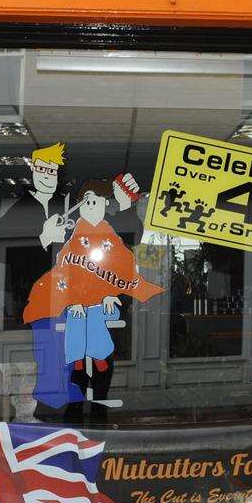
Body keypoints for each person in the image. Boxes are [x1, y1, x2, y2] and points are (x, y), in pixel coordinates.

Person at [22, 179, 162, 421]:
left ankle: (98, 408)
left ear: (105, 205)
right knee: (75, 357)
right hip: (76, 310)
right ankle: (75, 406)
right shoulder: (71, 235)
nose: (90, 205)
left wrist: (113, 295)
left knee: (101, 354)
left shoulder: (113, 232)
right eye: (86, 201)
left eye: (95, 201)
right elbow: (62, 270)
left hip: (101, 310)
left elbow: (127, 258)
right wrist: (70, 299)